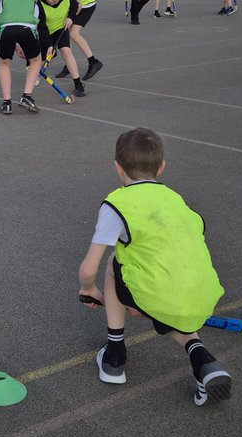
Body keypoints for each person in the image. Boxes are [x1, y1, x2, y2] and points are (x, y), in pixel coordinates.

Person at [78, 127, 231, 406]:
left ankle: (115, 357)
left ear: (117, 167)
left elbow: (89, 269)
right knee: (168, 299)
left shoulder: (118, 203)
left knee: (115, 262)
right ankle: (203, 359)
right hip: (202, 293)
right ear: (161, 167)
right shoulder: (177, 200)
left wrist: (88, 289)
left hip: (159, 291)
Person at [37, 0, 103, 81]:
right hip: (78, 7)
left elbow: (78, 5)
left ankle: (93, 62)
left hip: (86, 5)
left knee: (73, 33)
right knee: (67, 34)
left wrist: (70, 19)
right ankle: (69, 65)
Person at [35, 0, 86, 97]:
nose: (50, 0)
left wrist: (70, 18)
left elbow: (75, 7)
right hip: (46, 33)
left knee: (66, 51)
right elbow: (42, 28)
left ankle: (78, 83)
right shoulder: (40, 4)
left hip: (61, 29)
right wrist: (49, 46)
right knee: (42, 58)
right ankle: (35, 77)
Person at [0, 0, 42, 114]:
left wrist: (15, 48)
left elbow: (1, 25)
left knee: (5, 63)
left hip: (6, 32)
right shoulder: (33, 4)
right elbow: (34, 26)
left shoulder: (3, 2)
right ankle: (27, 96)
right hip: (27, 30)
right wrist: (28, 48)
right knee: (35, 60)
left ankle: (6, 103)